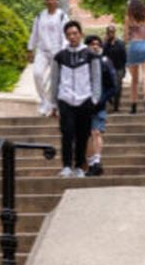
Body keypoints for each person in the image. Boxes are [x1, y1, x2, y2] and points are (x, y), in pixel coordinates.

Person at [45, 19, 106, 176]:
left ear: (80, 34)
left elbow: (96, 79)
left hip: (85, 99)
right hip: (65, 99)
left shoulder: (91, 55)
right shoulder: (60, 57)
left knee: (82, 134)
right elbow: (54, 80)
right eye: (69, 34)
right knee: (67, 133)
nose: (72, 36)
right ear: (65, 36)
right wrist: (53, 103)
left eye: (75, 33)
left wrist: (94, 99)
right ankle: (66, 166)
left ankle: (79, 166)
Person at [25, 0, 70, 117]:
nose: (50, 1)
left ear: (57, 1)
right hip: (42, 51)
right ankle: (44, 101)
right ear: (45, 1)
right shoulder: (40, 16)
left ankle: (51, 104)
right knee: (37, 74)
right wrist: (30, 49)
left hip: (57, 52)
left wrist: (62, 52)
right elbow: (34, 33)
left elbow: (64, 35)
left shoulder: (62, 16)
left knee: (54, 80)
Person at [82, 33, 121, 176]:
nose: (95, 46)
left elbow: (113, 87)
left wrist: (101, 100)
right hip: (83, 104)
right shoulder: (81, 62)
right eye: (92, 44)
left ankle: (97, 161)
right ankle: (91, 163)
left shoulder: (105, 62)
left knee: (96, 131)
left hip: (99, 104)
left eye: (98, 44)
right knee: (86, 135)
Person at [121, 0, 145, 115]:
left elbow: (126, 37)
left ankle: (133, 106)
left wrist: (129, 39)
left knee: (134, 80)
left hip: (134, 46)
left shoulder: (128, 18)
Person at [102, 25, 129, 107]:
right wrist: (106, 44)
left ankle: (116, 104)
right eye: (109, 32)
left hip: (119, 68)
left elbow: (124, 56)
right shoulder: (105, 44)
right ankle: (110, 100)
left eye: (112, 32)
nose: (111, 34)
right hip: (108, 69)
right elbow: (103, 56)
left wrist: (124, 69)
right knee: (109, 86)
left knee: (118, 86)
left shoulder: (120, 43)